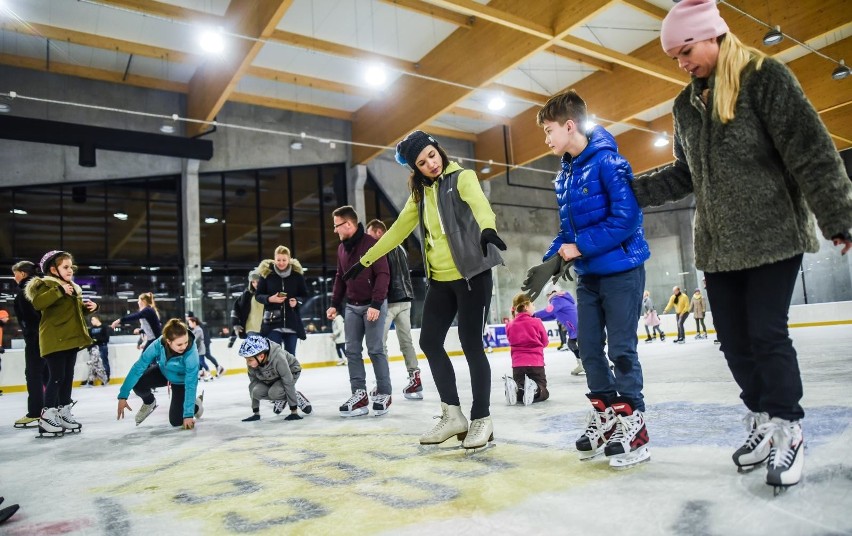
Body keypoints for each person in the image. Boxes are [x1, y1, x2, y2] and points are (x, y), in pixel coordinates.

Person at [633, 0, 852, 492]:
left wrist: (837, 216)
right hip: (717, 243)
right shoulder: (685, 105)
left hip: (773, 235)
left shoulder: (765, 79)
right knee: (732, 341)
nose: (683, 63)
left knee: (767, 335)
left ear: (713, 36)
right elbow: (684, 175)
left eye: (686, 50)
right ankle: (761, 416)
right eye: (674, 57)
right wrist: (633, 190)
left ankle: (788, 428)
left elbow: (810, 149)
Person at [343, 131, 507, 450]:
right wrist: (363, 260)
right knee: (429, 341)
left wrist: (488, 228)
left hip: (472, 274)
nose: (430, 164)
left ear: (438, 151)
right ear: (415, 168)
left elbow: (480, 205)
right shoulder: (419, 196)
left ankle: (482, 419)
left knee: (472, 344)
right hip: (441, 280)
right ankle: (453, 415)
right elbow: (395, 233)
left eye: (432, 155)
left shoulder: (462, 177)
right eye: (421, 162)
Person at [525, 89, 651, 468]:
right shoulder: (565, 176)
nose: (546, 140)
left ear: (569, 126)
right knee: (589, 348)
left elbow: (627, 219)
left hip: (622, 271)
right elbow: (566, 232)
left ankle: (635, 425)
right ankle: (606, 416)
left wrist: (578, 248)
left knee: (622, 350)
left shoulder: (610, 163)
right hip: (590, 276)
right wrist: (550, 262)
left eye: (549, 131)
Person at [326, 205, 392, 417]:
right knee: (352, 351)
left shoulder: (372, 244)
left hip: (373, 305)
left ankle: (384, 392)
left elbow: (383, 274)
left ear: (348, 224)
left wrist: (376, 303)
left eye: (337, 226)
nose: (335, 230)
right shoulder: (341, 249)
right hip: (352, 307)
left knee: (375, 349)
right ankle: (359, 395)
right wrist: (335, 303)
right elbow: (340, 276)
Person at [27, 250, 99, 436]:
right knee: (57, 376)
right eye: (65, 267)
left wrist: (89, 308)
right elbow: (37, 303)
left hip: (70, 339)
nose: (70, 271)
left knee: (67, 377)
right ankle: (46, 416)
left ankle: (63, 411)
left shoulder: (72, 288)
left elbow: (73, 314)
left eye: (71, 267)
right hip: (54, 339)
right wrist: (58, 291)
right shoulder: (47, 284)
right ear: (53, 269)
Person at [366, 219, 423, 400]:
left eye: (370, 234)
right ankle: (416, 380)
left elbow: (383, 277)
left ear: (379, 232)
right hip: (406, 300)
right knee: (406, 342)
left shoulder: (382, 248)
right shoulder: (401, 248)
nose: (368, 238)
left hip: (389, 302)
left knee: (378, 345)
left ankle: (383, 384)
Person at [116, 318, 201, 429]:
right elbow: (138, 367)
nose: (184, 346)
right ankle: (149, 402)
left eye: (186, 342)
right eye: (179, 344)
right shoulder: (158, 344)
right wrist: (123, 396)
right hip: (163, 372)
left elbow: (191, 383)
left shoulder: (191, 353)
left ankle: (197, 405)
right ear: (168, 341)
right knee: (138, 384)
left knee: (176, 421)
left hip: (181, 381)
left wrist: (189, 414)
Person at [238, 334, 311, 422]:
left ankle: (295, 396)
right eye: (246, 359)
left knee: (275, 393)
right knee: (256, 391)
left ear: (261, 356)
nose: (248, 363)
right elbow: (253, 385)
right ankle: (281, 397)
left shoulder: (278, 357)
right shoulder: (253, 363)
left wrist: (293, 411)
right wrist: (256, 413)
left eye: (250, 360)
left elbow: (288, 381)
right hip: (272, 375)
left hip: (291, 372)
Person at [255, 246, 309, 355]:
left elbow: (304, 295)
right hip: (272, 323)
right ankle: (275, 372)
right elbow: (258, 295)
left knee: (290, 357)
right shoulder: (267, 275)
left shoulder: (297, 276)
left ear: (289, 259)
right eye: (278, 260)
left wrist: (297, 301)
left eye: (284, 260)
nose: (281, 263)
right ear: (274, 259)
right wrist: (270, 299)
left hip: (292, 323)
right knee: (275, 356)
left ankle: (290, 373)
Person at [12, 261, 46, 428]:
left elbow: (31, 319)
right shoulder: (42, 287)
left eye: (15, 273)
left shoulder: (25, 291)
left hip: (35, 340)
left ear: (23, 274)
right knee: (47, 373)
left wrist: (30, 335)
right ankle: (57, 405)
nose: (14, 277)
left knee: (33, 374)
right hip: (47, 339)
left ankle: (35, 412)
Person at [504, 293, 550, 406]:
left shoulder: (510, 324)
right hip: (536, 363)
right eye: (533, 304)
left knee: (521, 393)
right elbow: (545, 342)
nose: (534, 307)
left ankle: (516, 388)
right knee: (543, 391)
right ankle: (535, 388)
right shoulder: (536, 322)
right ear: (526, 307)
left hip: (518, 364)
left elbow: (511, 341)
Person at [534, 287, 582, 375]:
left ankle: (584, 363)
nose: (547, 297)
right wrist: (537, 318)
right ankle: (582, 363)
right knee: (572, 343)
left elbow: (549, 311)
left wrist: (533, 315)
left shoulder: (557, 299)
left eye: (547, 295)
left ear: (552, 292)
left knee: (575, 344)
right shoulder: (561, 299)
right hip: (576, 326)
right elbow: (552, 316)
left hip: (576, 326)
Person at [229, 270, 264, 348]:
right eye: (253, 282)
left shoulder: (268, 295)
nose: (255, 284)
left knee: (267, 356)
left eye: (258, 281)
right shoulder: (247, 295)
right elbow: (236, 309)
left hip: (267, 329)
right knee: (255, 355)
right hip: (251, 328)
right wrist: (236, 324)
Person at [186, 312, 225, 378]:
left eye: (187, 317)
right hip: (201, 344)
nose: (186, 318)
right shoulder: (194, 325)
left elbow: (200, 336)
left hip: (204, 343)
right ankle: (202, 371)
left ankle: (217, 367)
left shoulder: (198, 326)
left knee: (206, 356)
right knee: (200, 358)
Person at [187, 316, 213, 382]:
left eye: (190, 323)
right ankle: (201, 374)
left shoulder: (198, 330)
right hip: (197, 349)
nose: (189, 324)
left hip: (200, 349)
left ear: (194, 322)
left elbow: (194, 339)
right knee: (198, 363)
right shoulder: (194, 330)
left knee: (202, 362)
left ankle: (209, 373)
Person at [88, 315, 112, 382]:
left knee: (104, 362)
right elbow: (89, 339)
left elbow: (106, 338)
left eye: (93, 320)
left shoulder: (104, 327)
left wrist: (96, 339)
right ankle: (92, 380)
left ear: (97, 319)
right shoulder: (91, 329)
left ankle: (106, 377)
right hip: (94, 348)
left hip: (102, 346)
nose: (91, 321)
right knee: (93, 363)